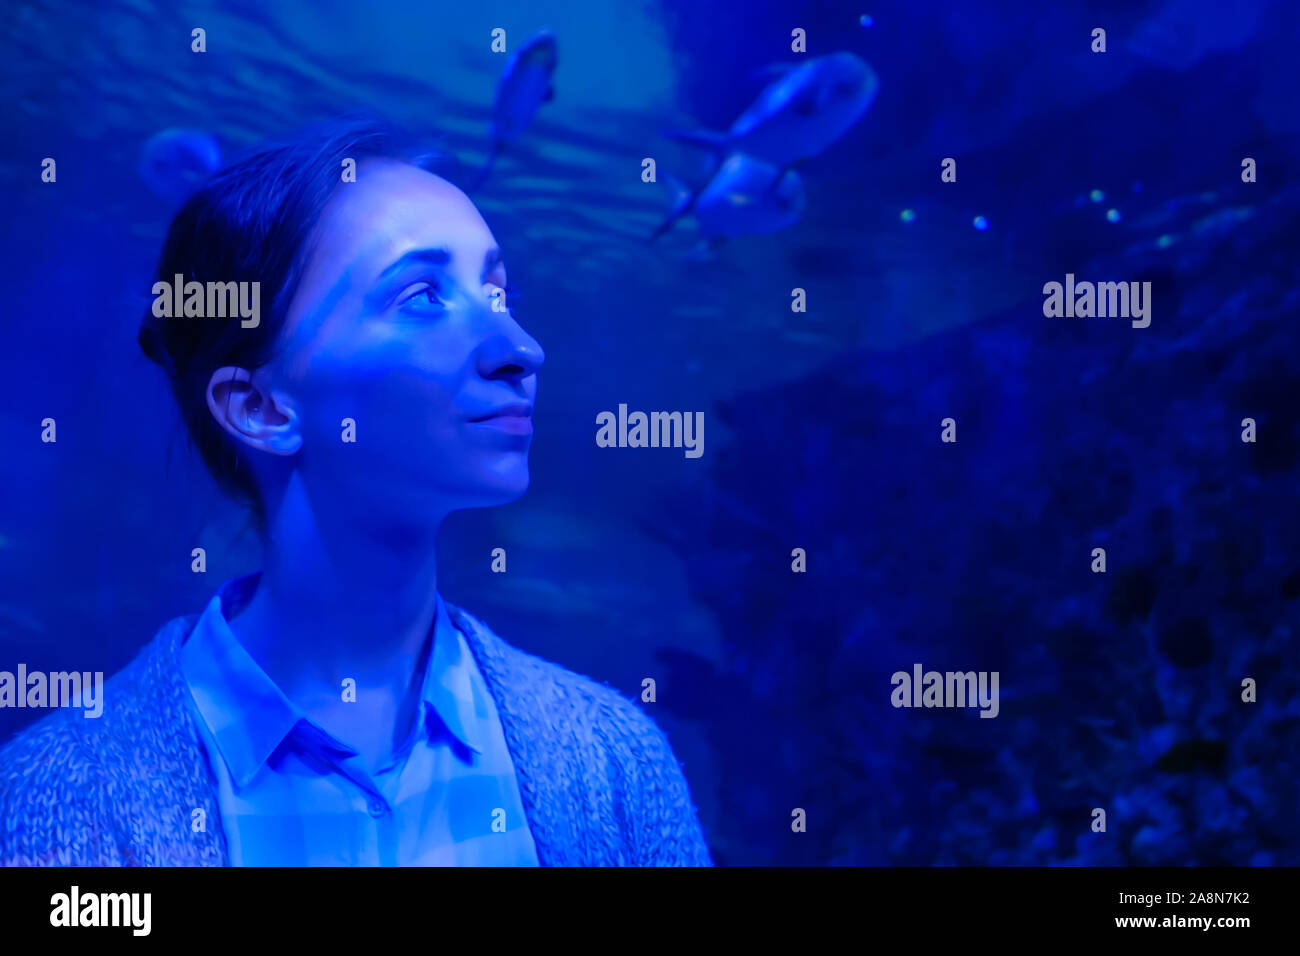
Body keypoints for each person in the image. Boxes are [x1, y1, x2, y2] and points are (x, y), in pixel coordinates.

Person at [0, 115, 712, 866]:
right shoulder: (66, 798)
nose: (521, 350)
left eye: (498, 294)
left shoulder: (611, 762)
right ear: (261, 407)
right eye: (421, 296)